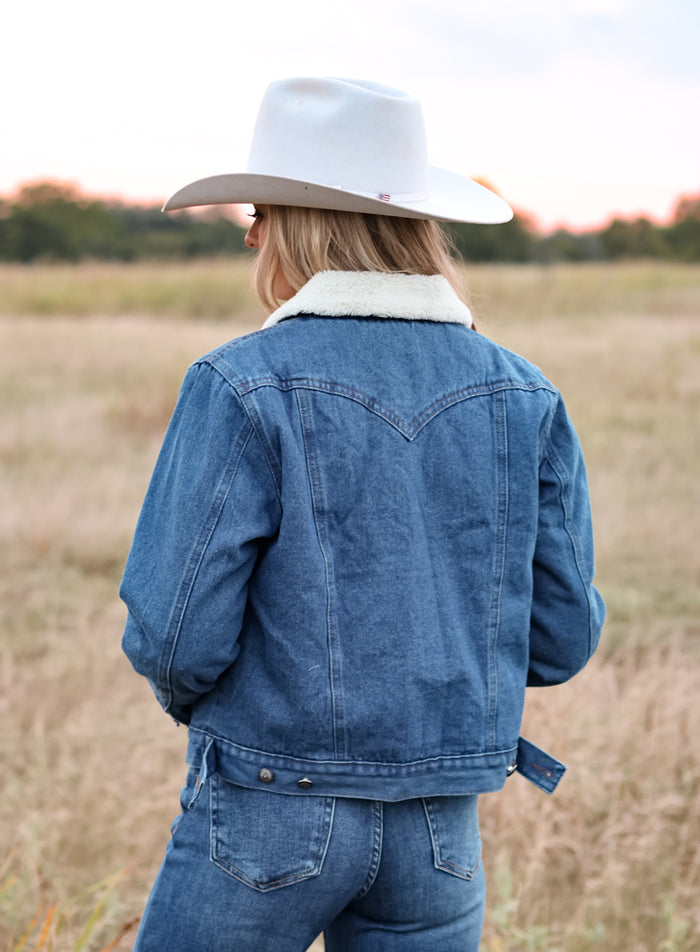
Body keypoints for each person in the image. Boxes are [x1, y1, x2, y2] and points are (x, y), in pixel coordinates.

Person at [120, 77, 605, 952]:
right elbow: (562, 635)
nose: (253, 235)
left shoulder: (241, 381)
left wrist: (214, 709)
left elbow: (176, 634)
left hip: (270, 805)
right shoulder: (524, 392)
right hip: (440, 829)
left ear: (294, 225)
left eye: (258, 216)